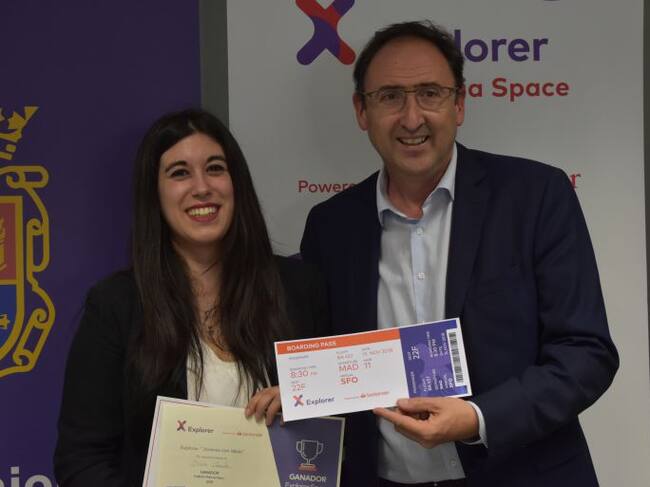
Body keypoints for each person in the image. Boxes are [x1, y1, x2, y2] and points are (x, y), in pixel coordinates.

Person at [300, 21, 618, 487]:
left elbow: (586, 353)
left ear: (460, 104)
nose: (412, 118)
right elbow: (324, 366)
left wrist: (478, 418)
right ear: (362, 111)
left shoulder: (536, 196)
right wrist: (297, 392)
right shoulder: (331, 227)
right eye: (390, 97)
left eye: (430, 93)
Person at [54, 109, 327, 486]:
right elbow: (81, 460)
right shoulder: (116, 305)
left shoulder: (299, 288)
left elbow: (347, 416)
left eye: (215, 168)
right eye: (179, 173)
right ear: (155, 193)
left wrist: (310, 398)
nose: (202, 187)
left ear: (236, 183)